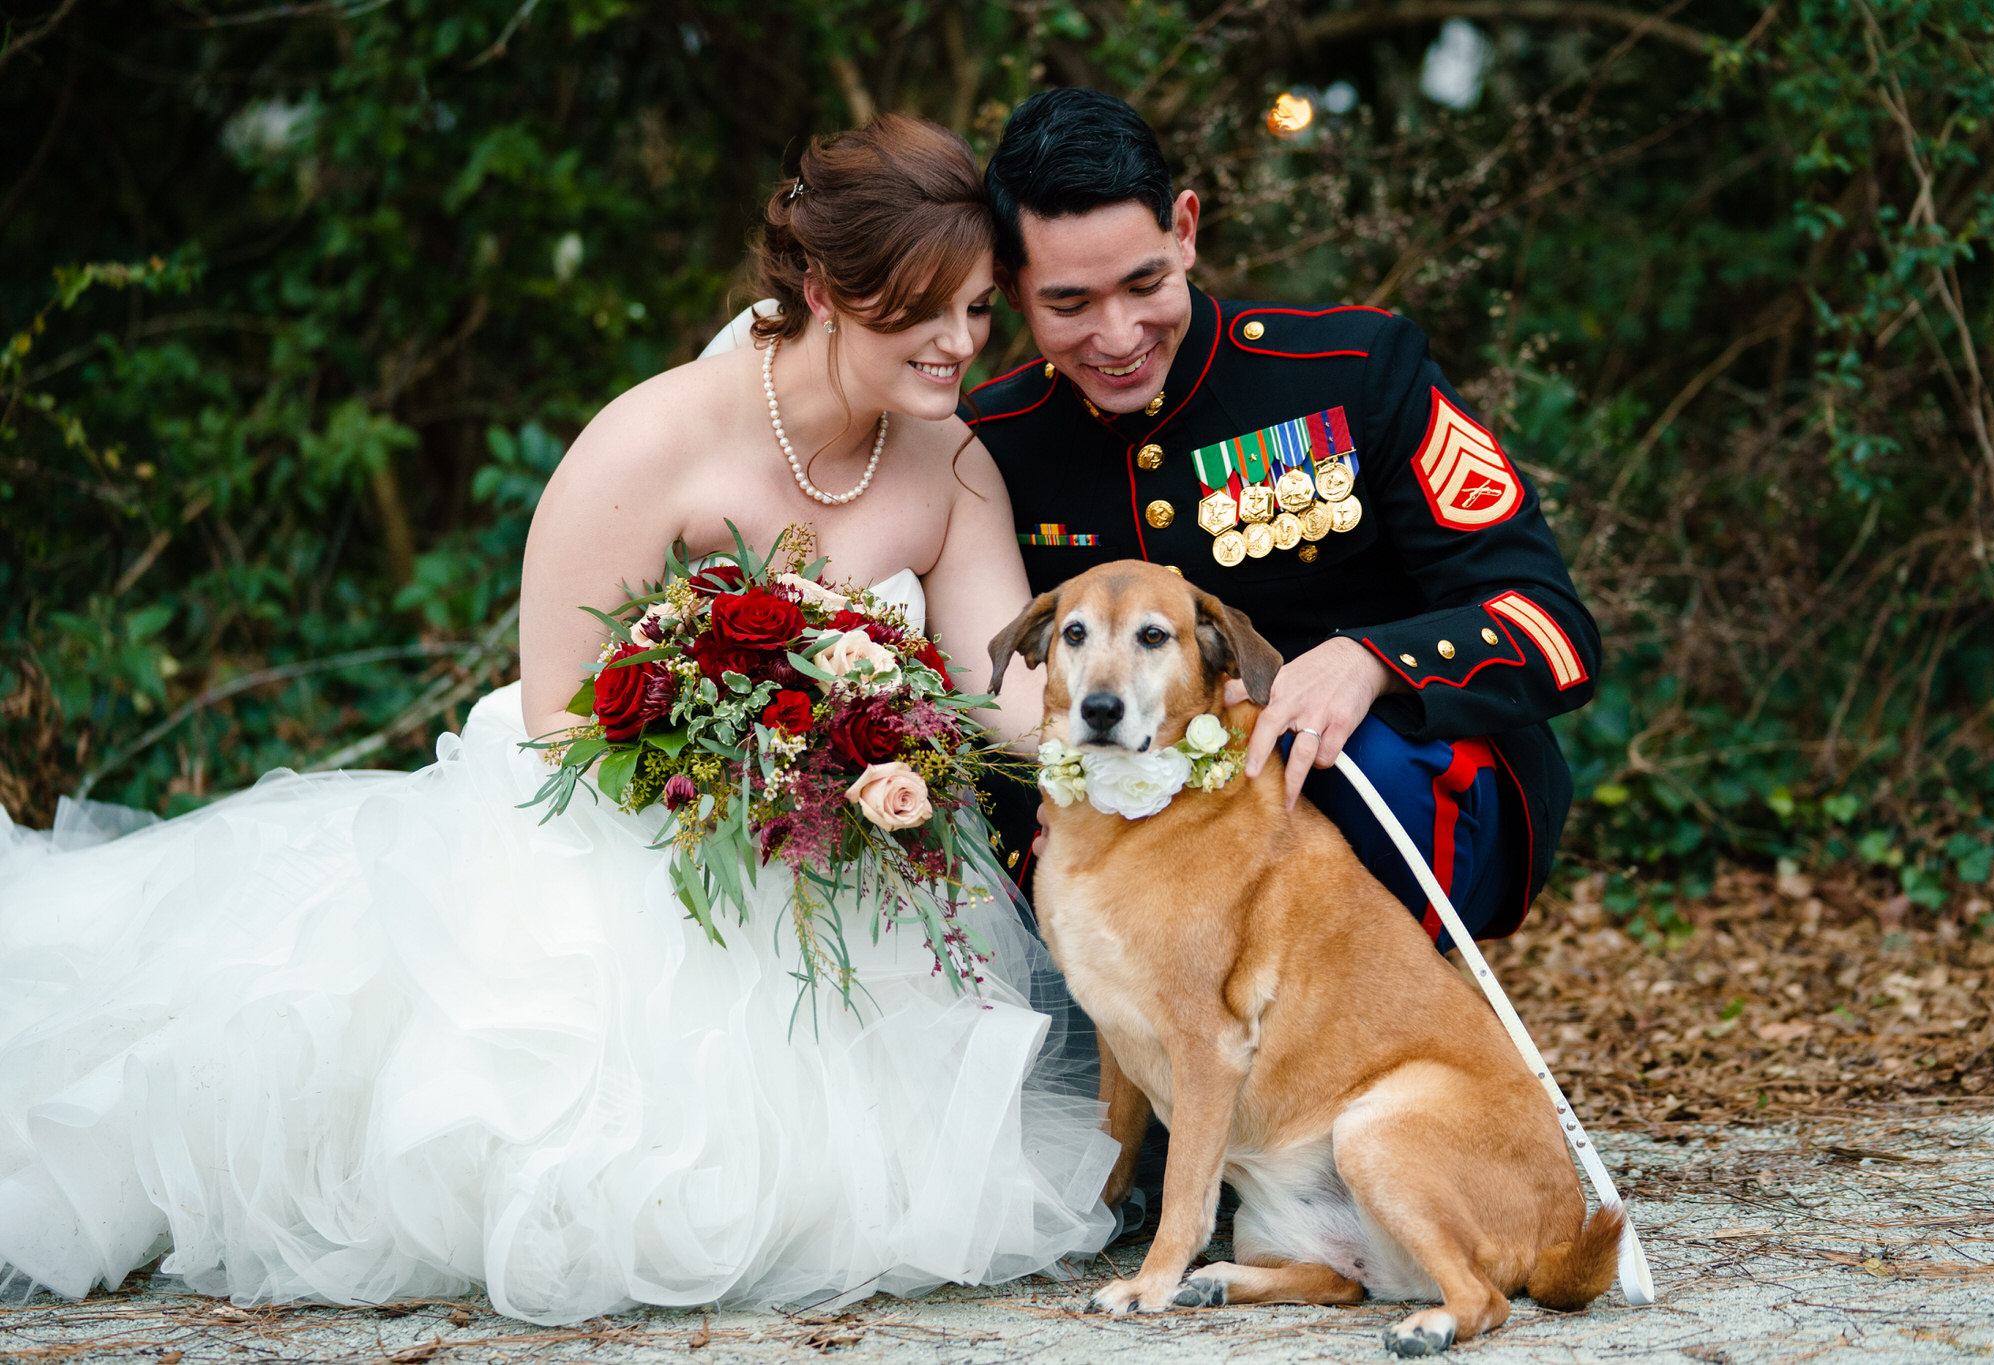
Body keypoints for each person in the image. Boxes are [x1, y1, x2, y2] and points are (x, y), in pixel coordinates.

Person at [0, 115, 1113, 1325]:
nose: (959, 346)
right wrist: (750, 757)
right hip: (614, 842)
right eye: (922, 312)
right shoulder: (656, 437)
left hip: (840, 871)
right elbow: (556, 707)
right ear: (823, 290)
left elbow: (1001, 686)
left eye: (976, 313)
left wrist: (1143, 737)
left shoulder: (950, 465)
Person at [968, 88, 1601, 953]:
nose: (1118, 336)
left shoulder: (1354, 371)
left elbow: (1553, 625)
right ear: (1011, 288)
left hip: (1382, 795)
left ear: (1185, 229)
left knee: (1346, 755)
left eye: (1146, 283)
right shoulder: (991, 442)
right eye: (1070, 304)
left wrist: (1372, 660)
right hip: (1130, 839)